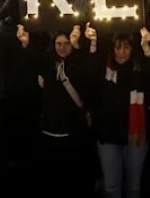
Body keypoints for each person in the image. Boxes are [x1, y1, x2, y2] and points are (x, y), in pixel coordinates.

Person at [17, 23, 94, 197]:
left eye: (66, 44)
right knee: (52, 178)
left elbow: (88, 75)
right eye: (59, 44)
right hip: (49, 130)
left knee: (72, 177)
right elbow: (32, 62)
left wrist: (77, 47)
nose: (62, 47)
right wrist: (25, 44)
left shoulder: (78, 63)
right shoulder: (47, 62)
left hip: (72, 132)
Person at [85, 24, 150, 198]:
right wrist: (92, 43)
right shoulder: (104, 67)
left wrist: (146, 48)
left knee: (134, 187)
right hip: (108, 136)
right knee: (111, 187)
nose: (121, 52)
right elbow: (90, 75)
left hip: (135, 137)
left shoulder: (140, 67)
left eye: (126, 47)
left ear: (132, 49)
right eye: (118, 47)